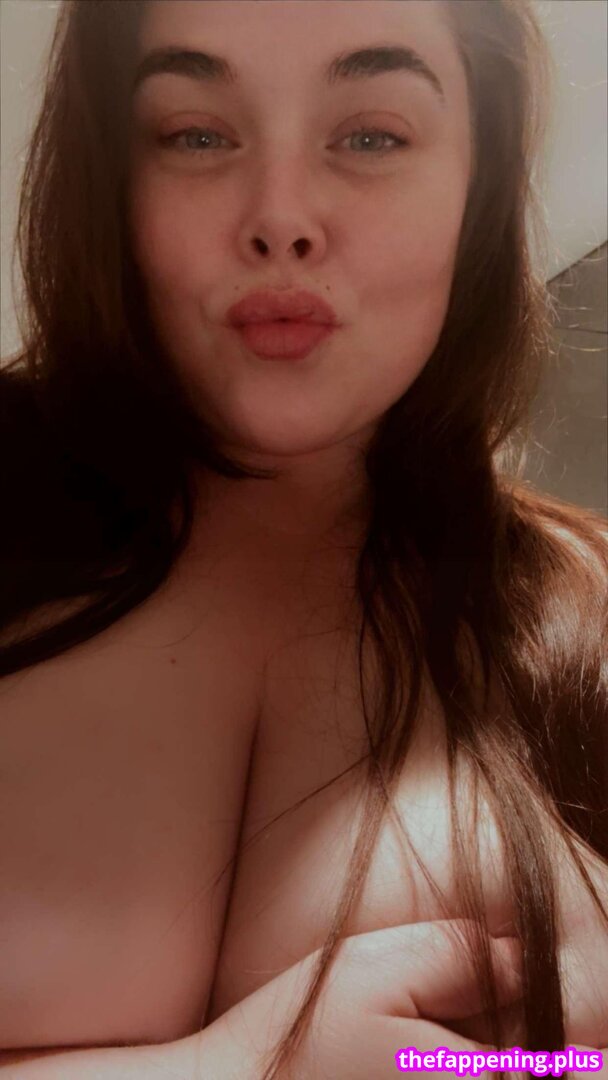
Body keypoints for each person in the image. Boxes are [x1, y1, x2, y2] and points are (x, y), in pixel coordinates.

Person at [0, 1, 606, 1077]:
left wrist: (513, 1066)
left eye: (370, 134)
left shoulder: (586, 611)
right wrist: (234, 1070)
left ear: (475, 192)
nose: (280, 218)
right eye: (196, 134)